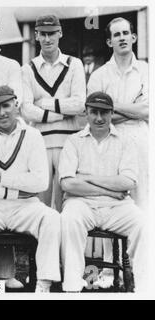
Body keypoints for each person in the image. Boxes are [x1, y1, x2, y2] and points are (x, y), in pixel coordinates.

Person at [0, 85, 61, 293]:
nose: (2, 112)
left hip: (24, 206)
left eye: (6, 105)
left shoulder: (33, 135)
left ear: (16, 104)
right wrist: (17, 188)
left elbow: (41, 182)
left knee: (51, 218)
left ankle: (43, 284)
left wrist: (2, 178)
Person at [59, 91, 148, 292]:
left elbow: (128, 181)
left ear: (112, 113)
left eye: (104, 113)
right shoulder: (74, 141)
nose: (99, 118)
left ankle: (146, 288)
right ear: (86, 113)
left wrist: (87, 178)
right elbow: (68, 185)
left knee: (144, 225)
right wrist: (110, 189)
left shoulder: (125, 142)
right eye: (94, 112)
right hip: (81, 203)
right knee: (69, 219)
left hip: (117, 206)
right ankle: (72, 287)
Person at [21, 14, 86, 211]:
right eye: (43, 34)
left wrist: (46, 103)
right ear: (36, 36)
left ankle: (65, 243)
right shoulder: (27, 69)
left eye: (52, 33)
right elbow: (26, 110)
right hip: (39, 142)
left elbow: (79, 104)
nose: (48, 39)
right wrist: (59, 113)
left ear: (60, 33)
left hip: (69, 142)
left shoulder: (74, 64)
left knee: (67, 202)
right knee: (40, 202)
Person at [87, 17, 148, 212]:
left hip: (141, 141)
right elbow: (96, 116)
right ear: (109, 42)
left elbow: (148, 110)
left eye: (125, 33)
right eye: (116, 35)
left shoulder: (147, 71)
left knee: (143, 200)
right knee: (112, 203)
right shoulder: (99, 75)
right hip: (109, 142)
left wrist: (110, 106)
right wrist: (134, 109)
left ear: (134, 37)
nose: (122, 38)